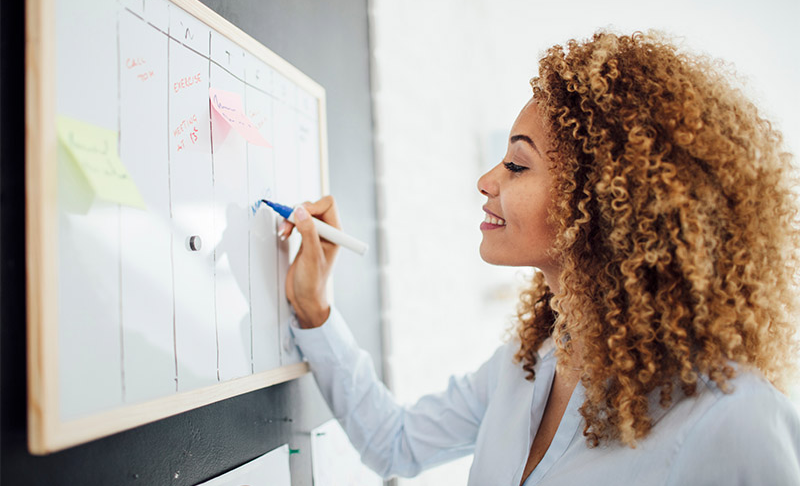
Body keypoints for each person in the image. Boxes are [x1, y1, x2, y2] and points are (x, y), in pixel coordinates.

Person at [280, 31, 800, 485]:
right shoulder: (525, 366)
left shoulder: (734, 422)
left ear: (602, 199)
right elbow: (393, 442)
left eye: (516, 164)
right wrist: (313, 308)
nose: (486, 182)